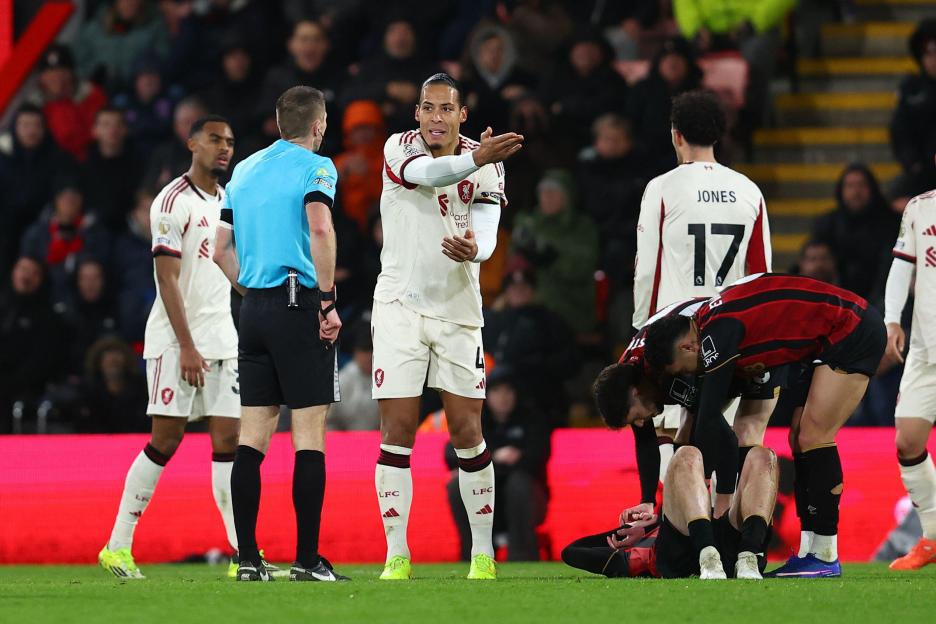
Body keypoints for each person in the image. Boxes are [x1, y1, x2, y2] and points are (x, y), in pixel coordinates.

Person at [371, 72, 522, 581]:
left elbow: (487, 231)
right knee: (398, 431)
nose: (435, 117)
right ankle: (397, 554)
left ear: (462, 114)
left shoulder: (486, 167)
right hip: (399, 307)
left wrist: (474, 249)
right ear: (417, 113)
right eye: (427, 108)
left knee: (467, 432)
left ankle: (482, 554)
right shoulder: (399, 148)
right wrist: (478, 158)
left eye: (445, 109)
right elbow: (429, 177)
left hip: (459, 310)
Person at [643, 273, 887, 577]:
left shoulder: (715, 334)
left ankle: (824, 555)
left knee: (814, 435)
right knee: (799, 434)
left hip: (851, 328)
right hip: (832, 333)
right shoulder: (712, 316)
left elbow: (707, 417)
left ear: (687, 349)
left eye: (685, 369)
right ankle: (812, 552)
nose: (693, 374)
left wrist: (717, 498)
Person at [98, 115, 242, 581]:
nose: (224, 148)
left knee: (229, 443)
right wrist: (186, 345)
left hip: (222, 337)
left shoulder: (226, 199)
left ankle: (245, 555)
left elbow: (224, 265)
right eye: (215, 140)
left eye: (230, 142)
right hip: (176, 342)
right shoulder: (171, 200)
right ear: (192, 144)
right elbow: (167, 276)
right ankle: (118, 545)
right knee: (167, 439)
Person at [213, 86, 348, 583]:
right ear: (319, 125)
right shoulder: (318, 167)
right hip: (299, 303)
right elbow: (319, 228)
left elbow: (219, 247)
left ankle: (248, 558)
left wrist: (249, 290)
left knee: (252, 438)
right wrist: (327, 300)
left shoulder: (243, 170)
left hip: (254, 311)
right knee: (308, 434)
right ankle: (307, 560)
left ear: (277, 120)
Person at [633, 89, 771, 479]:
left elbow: (647, 268)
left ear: (676, 134)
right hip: (728, 336)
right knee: (717, 436)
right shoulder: (750, 191)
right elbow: (761, 274)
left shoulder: (662, 187)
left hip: (675, 332)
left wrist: (643, 328)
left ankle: (682, 530)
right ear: (719, 134)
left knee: (669, 433)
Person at [562, 445, 779, 580]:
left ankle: (748, 557)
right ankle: (708, 556)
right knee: (686, 454)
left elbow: (571, 552)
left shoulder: (651, 529)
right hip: (682, 555)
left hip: (729, 544)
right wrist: (644, 531)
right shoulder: (631, 558)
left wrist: (651, 524)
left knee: (763, 456)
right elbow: (572, 552)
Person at [882, 180, 936, 570]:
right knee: (908, 438)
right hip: (925, 347)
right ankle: (933, 537)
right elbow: (901, 266)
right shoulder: (919, 208)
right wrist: (891, 319)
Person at [445, 370, 551, 562]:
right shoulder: (475, 420)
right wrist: (494, 457)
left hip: (526, 501)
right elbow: (450, 453)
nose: (503, 398)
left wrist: (485, 463)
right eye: (497, 391)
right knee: (457, 484)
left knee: (518, 484)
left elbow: (536, 457)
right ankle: (472, 554)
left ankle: (522, 554)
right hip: (484, 498)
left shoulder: (532, 420)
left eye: (508, 391)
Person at [511, 169, 600, 335]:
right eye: (543, 192)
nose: (547, 197)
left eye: (553, 192)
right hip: (527, 301)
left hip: (569, 305)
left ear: (567, 196)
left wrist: (551, 257)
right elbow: (512, 266)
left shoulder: (581, 227)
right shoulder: (530, 224)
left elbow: (582, 268)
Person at [0, 256, 67, 433]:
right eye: (22, 269)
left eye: (33, 273)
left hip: (26, 388)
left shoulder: (48, 317)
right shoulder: (4, 306)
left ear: (41, 279)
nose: (26, 276)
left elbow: (41, 362)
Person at [810, 163, 897, 299]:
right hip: (836, 297)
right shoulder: (827, 223)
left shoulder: (890, 222)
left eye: (861, 185)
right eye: (850, 186)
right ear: (841, 190)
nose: (856, 192)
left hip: (880, 297)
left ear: (872, 189)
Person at [32, 43, 108, 162]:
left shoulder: (92, 95)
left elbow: (104, 135)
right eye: (49, 71)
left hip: (94, 162)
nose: (56, 77)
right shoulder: (33, 106)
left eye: (62, 70)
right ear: (41, 77)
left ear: (71, 73)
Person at [890, 19, 936, 196]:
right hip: (921, 176)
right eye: (929, 53)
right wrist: (913, 164)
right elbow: (900, 130)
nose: (934, 59)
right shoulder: (911, 88)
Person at [80, 107, 142, 230]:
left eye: (118, 125)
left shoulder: (138, 163)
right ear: (95, 130)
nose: (112, 130)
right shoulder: (83, 164)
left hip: (129, 229)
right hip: (93, 228)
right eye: (105, 125)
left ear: (125, 130)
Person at [328, 323, 380, 431]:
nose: (369, 356)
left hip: (380, 440)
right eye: (364, 351)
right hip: (347, 442)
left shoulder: (388, 380)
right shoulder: (341, 381)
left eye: (372, 351)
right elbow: (329, 422)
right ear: (356, 352)